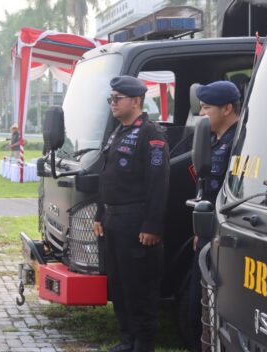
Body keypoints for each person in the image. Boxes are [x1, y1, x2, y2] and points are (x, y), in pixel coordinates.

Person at [93, 75, 170, 352]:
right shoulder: (119, 131)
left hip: (135, 222)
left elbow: (158, 184)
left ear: (136, 101)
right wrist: (100, 214)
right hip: (113, 221)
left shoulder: (151, 135)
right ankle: (128, 339)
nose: (112, 103)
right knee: (120, 286)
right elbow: (108, 177)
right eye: (110, 99)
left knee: (140, 288)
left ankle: (143, 343)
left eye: (117, 98)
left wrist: (152, 226)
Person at [189, 80, 241, 352]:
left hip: (225, 233)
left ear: (227, 108)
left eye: (207, 107)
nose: (201, 114)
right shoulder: (212, 138)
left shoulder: (240, 142)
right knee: (199, 300)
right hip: (207, 227)